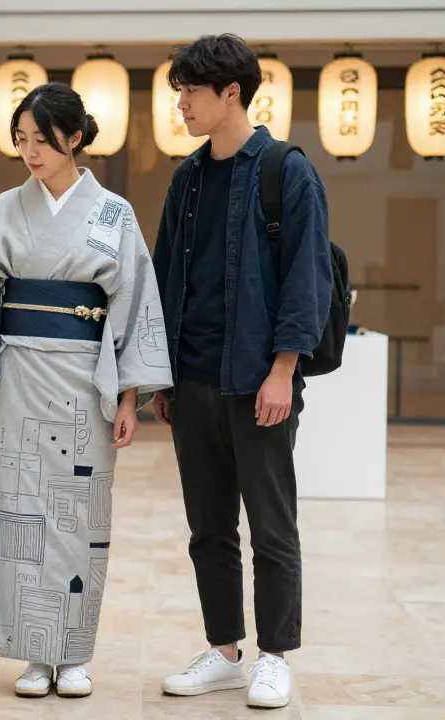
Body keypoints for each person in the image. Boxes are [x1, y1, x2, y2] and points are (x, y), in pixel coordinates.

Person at [0, 82, 172, 699]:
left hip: (86, 379)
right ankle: (34, 653)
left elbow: (133, 303)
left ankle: (74, 654)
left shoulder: (114, 215)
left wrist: (129, 397)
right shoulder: (3, 210)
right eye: (21, 141)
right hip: (19, 377)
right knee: (21, 513)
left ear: (75, 137)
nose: (29, 152)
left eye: (41, 140)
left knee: (79, 514)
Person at [149, 34, 331, 709]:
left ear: (232, 92)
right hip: (192, 382)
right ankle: (225, 651)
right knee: (208, 528)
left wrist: (285, 369)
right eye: (180, 93)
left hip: (259, 382)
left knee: (272, 527)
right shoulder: (186, 179)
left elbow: (304, 280)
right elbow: (168, 279)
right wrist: (162, 379)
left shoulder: (287, 171)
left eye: (191, 92)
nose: (183, 105)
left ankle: (274, 656)